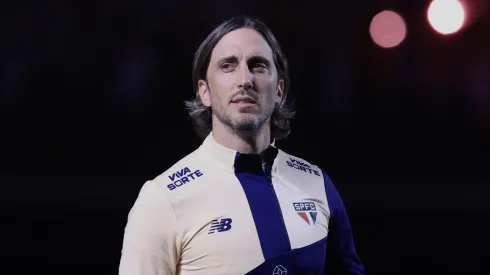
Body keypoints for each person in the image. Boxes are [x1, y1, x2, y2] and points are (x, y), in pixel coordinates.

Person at [119, 16, 365, 275]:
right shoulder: (162, 198)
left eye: (258, 66)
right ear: (205, 92)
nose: (245, 79)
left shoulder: (317, 183)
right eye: (228, 65)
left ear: (279, 91)